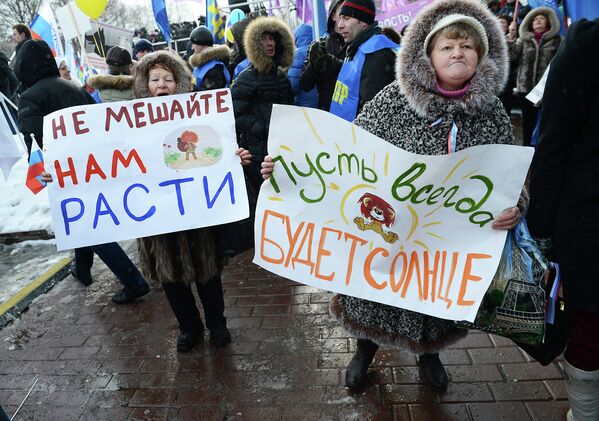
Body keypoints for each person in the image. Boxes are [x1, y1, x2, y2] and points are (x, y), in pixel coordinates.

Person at [262, 0, 525, 393]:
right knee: (373, 293)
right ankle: (364, 348)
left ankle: (428, 353)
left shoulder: (492, 113)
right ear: (428, 55)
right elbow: (344, 151)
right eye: (447, 46)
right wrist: (289, 166)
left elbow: (510, 178)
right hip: (385, 226)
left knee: (429, 303)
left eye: (467, 46)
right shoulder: (393, 99)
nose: (458, 53)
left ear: (482, 56)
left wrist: (516, 206)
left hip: (443, 239)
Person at [133, 50, 251, 352]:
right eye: (155, 78)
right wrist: (68, 178)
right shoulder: (127, 123)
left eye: (169, 79)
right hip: (159, 219)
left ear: (180, 83)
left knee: (208, 275)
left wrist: (234, 157)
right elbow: (107, 164)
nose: (162, 84)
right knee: (171, 280)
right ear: (144, 84)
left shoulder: (199, 113)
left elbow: (218, 147)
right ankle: (189, 327)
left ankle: (217, 324)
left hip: (198, 216)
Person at [20, 40, 150, 305]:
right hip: (89, 164)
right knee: (82, 218)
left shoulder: (30, 97)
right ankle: (83, 270)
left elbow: (33, 139)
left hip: (62, 171)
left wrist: (40, 168)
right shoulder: (74, 87)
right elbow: (98, 121)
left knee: (88, 225)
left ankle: (133, 281)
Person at [526, 18, 599, 421]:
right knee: (591, 332)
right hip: (590, 222)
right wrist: (541, 235)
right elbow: (552, 144)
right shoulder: (588, 44)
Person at [231, 16, 294, 196]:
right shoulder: (246, 78)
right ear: (254, 44)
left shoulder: (282, 76)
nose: (269, 43)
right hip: (257, 151)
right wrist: (263, 127)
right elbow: (234, 113)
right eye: (264, 39)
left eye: (272, 38)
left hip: (281, 147)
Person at [310, 0, 398, 121]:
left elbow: (373, 113)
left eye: (346, 18)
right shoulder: (359, 47)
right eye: (340, 18)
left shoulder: (376, 52)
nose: (340, 25)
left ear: (363, 22)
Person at [508, 7, 561, 146]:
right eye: (535, 19)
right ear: (529, 23)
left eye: (542, 18)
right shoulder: (523, 41)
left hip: (548, 89)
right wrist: (510, 40)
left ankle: (542, 149)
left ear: (549, 22)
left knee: (546, 122)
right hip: (526, 89)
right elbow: (511, 57)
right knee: (528, 122)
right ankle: (526, 149)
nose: (538, 20)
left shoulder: (557, 41)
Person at [299, 0, 346, 111]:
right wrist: (313, 65)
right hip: (328, 112)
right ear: (333, 15)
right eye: (343, 13)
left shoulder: (356, 43)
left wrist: (336, 65)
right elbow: (305, 85)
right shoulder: (320, 45)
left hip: (352, 112)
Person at [188, 26, 231, 91]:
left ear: (202, 44)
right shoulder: (201, 65)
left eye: (194, 44)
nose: (192, 48)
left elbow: (210, 96)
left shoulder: (215, 68)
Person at [288, 23, 318, 108]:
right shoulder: (319, 48)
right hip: (319, 103)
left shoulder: (299, 53)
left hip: (304, 105)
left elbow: (293, 84)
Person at [497, 14, 517, 115]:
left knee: (505, 107)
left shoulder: (513, 38)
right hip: (493, 77)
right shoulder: (490, 37)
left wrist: (510, 42)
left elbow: (513, 58)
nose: (499, 24)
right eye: (498, 21)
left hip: (506, 79)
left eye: (502, 22)